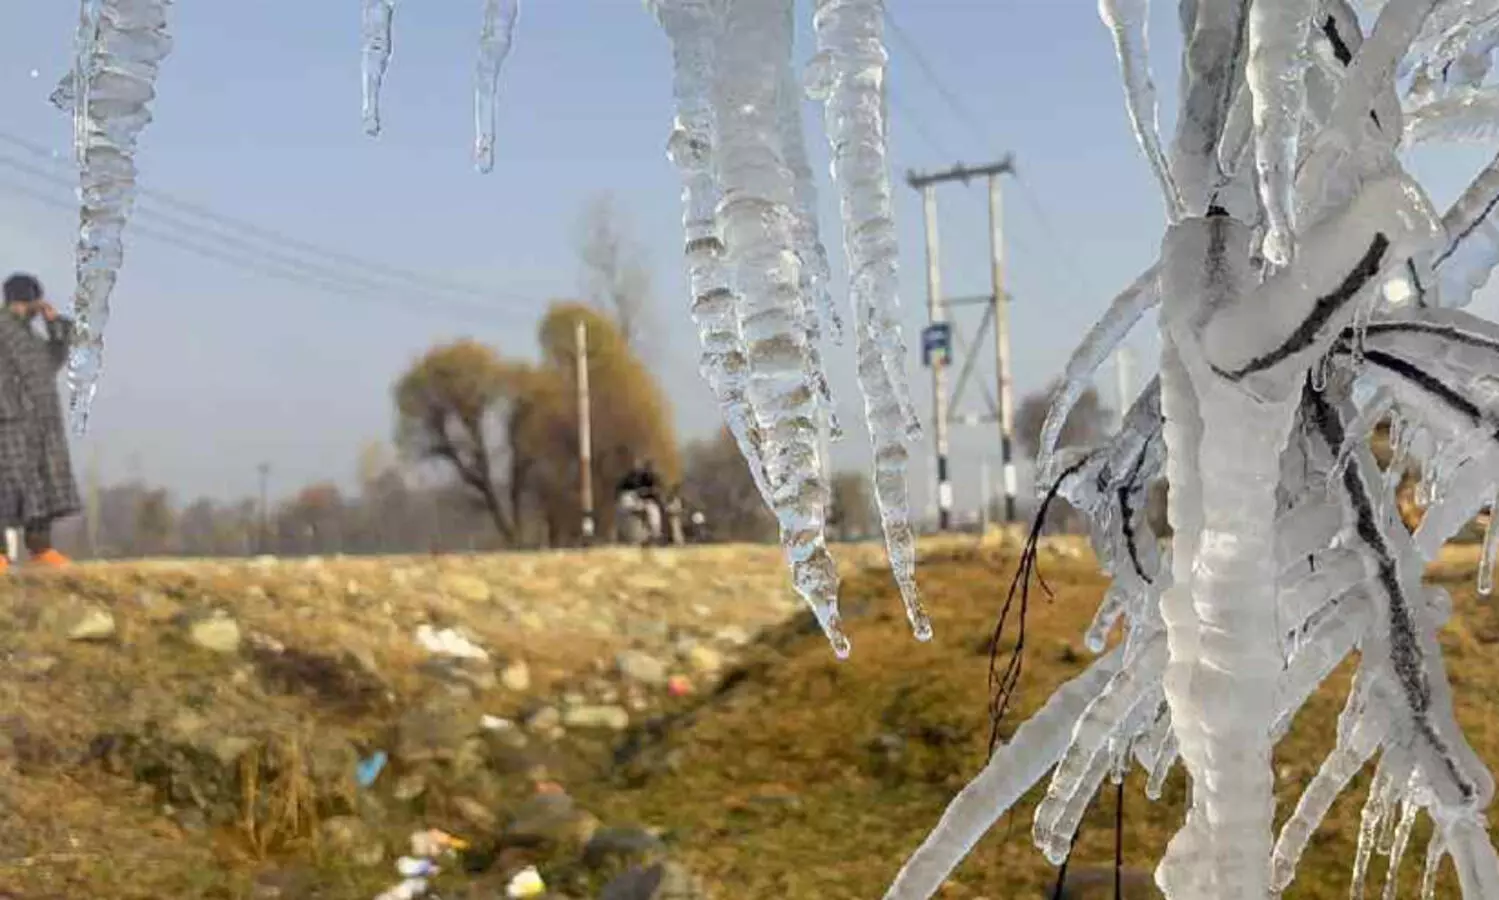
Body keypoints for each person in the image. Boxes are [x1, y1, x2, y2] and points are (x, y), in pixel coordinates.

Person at [0, 274, 80, 570]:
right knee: (5, 487)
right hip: (9, 421)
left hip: (40, 422)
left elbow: (50, 363)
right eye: (37, 300)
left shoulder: (29, 335)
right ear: (26, 299)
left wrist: (55, 325)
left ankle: (40, 549)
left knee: (39, 486)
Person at [615, 457, 664, 543]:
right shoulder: (630, 479)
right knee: (650, 511)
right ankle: (654, 533)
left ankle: (654, 533)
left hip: (639, 502)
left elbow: (654, 492)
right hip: (631, 501)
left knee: (651, 510)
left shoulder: (648, 478)